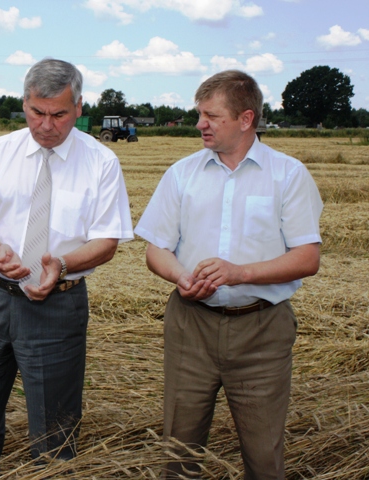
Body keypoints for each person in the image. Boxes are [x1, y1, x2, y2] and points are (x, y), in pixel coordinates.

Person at [135, 70, 323, 479]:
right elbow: (156, 249)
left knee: (263, 454)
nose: (200, 124)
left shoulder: (288, 175)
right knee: (179, 450)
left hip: (262, 331)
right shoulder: (181, 174)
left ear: (245, 118)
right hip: (190, 326)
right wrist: (182, 277)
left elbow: (308, 257)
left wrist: (240, 274)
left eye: (211, 116)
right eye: (199, 114)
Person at [0, 58, 133, 474]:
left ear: (80, 107)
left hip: (58, 308)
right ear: (25, 104)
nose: (47, 125)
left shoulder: (102, 162)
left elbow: (107, 241)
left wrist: (63, 264)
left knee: (55, 426)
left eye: (59, 114)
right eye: (37, 113)